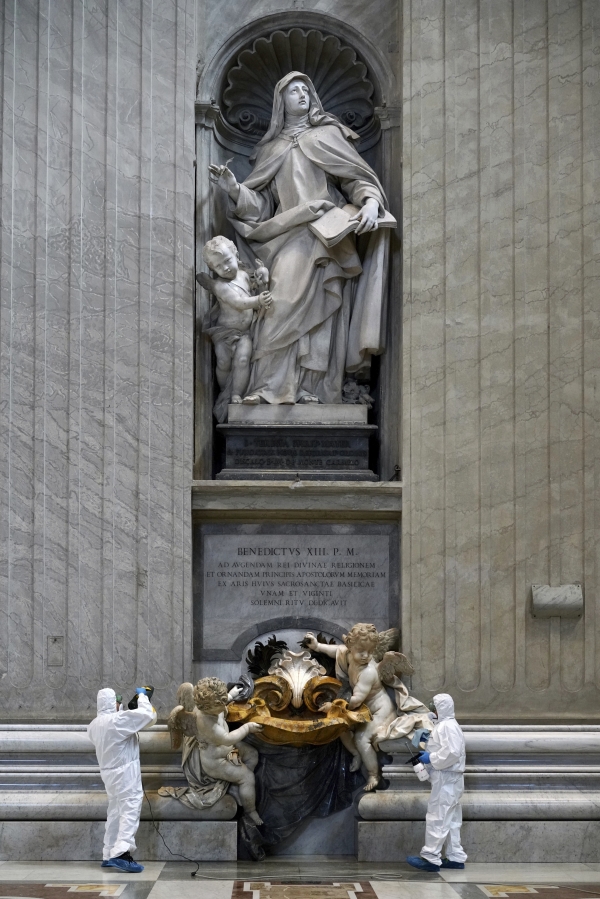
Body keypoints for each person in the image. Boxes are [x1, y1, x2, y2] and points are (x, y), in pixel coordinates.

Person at [208, 71, 391, 406]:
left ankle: (312, 388)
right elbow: (261, 205)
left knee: (322, 309)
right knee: (279, 305)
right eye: (294, 91)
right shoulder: (271, 149)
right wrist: (235, 189)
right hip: (288, 233)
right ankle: (268, 387)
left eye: (306, 89)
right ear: (282, 101)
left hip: (328, 233)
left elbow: (355, 177)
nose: (302, 95)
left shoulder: (328, 135)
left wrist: (371, 202)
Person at [200, 236, 272, 420]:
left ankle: (236, 394)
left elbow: (256, 286)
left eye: (227, 261)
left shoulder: (244, 275)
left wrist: (262, 275)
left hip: (245, 333)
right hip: (224, 333)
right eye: (218, 266)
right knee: (224, 362)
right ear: (213, 270)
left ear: (236, 255)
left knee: (242, 360)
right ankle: (225, 390)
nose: (225, 268)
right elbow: (239, 302)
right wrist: (258, 301)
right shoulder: (220, 286)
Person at [87, 686, 157, 873]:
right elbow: (148, 715)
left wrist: (126, 711)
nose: (120, 704)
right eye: (118, 701)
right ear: (112, 702)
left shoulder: (94, 725)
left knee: (115, 813)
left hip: (109, 775)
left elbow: (119, 725)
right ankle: (121, 853)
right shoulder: (117, 720)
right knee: (130, 809)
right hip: (125, 774)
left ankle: (109, 852)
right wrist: (142, 696)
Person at [406, 693, 467, 872]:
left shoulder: (447, 726)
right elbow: (447, 748)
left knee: (438, 816)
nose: (432, 710)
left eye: (434, 708)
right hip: (452, 779)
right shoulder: (445, 725)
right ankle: (455, 856)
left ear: (441, 708)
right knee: (452, 819)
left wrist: (430, 757)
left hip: (446, 778)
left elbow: (452, 753)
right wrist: (429, 740)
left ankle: (431, 857)